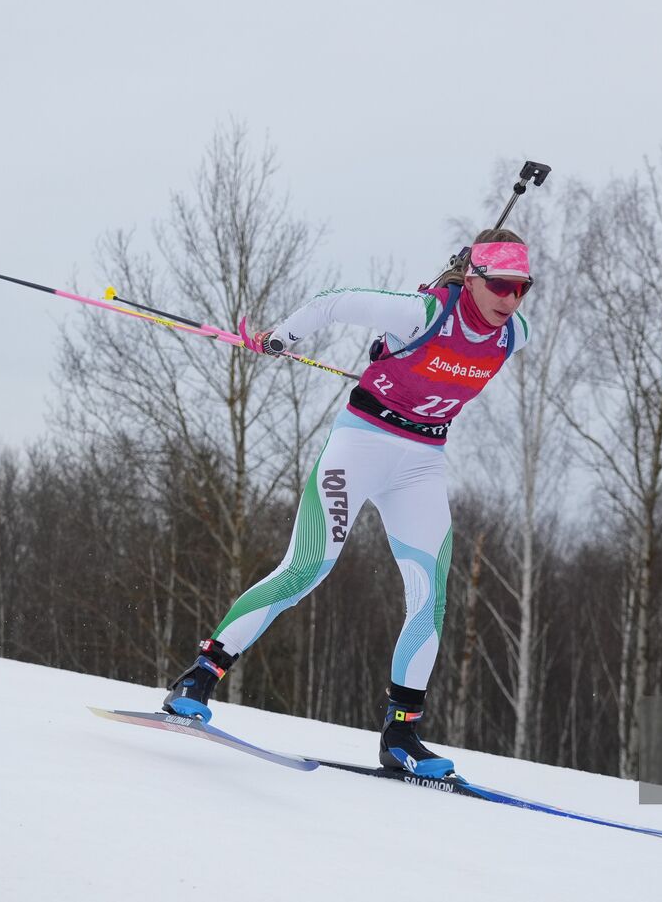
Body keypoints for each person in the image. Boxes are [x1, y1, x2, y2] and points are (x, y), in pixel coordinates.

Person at [160, 228, 533, 779]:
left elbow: (421, 357)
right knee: (307, 568)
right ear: (473, 277)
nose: (511, 299)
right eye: (500, 284)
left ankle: (401, 736)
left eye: (523, 287)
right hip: (361, 443)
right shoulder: (422, 312)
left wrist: (389, 351)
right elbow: (333, 304)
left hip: (422, 462)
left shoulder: (515, 334)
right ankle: (199, 676)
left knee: (429, 599)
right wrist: (280, 337)